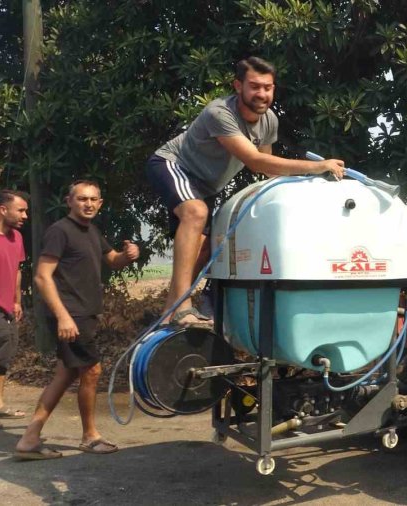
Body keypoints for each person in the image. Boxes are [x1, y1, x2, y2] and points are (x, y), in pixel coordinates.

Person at [146, 56, 345, 327]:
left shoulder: (269, 121)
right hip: (175, 165)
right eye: (254, 86)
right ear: (238, 86)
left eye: (268, 87)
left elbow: (269, 170)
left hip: (206, 184)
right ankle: (183, 307)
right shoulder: (220, 113)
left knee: (206, 248)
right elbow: (256, 161)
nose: (262, 94)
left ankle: (171, 310)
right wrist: (317, 166)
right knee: (195, 211)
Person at [14, 181, 139, 460]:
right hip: (72, 314)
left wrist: (128, 256)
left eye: (94, 199)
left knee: (67, 373)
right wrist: (63, 317)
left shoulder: (91, 230)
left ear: (100, 203)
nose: (89, 204)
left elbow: (113, 260)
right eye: (82, 198)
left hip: (84, 314)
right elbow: (42, 277)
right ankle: (90, 436)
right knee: (91, 371)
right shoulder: (60, 231)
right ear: (69, 201)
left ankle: (29, 439)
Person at [0, 189, 29, 425]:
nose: (25, 216)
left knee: (4, 356)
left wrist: (17, 300)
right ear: (3, 210)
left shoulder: (16, 237)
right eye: (20, 210)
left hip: (8, 307)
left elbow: (17, 269)